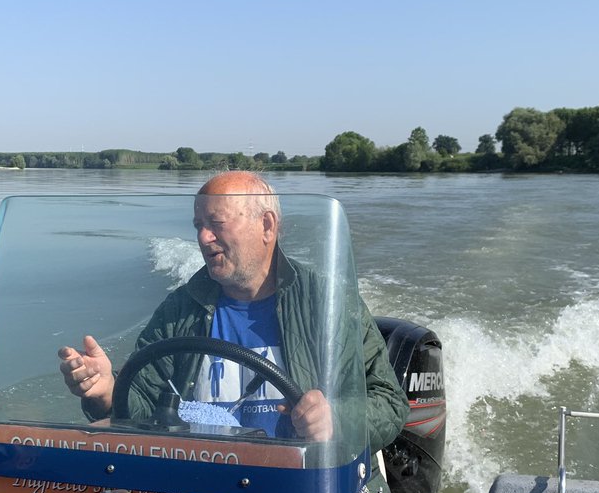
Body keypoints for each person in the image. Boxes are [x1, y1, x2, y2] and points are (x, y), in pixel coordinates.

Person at [58, 172, 408, 475]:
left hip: (309, 489)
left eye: (217, 224)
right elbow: (144, 407)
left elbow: (391, 405)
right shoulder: (181, 309)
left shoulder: (330, 303)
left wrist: (336, 419)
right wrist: (106, 392)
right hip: (205, 489)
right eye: (199, 226)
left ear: (267, 226)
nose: (203, 238)